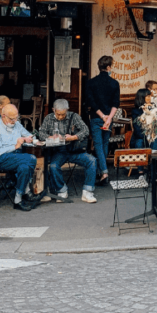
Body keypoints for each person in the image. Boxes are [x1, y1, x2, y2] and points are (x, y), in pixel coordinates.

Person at [36, 99, 97, 203]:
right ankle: (61, 190)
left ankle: (88, 192)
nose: (60, 117)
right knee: (54, 166)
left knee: (92, 160)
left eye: (63, 114)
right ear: (53, 110)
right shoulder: (49, 118)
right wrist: (51, 137)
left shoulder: (74, 116)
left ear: (67, 110)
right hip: (59, 151)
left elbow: (85, 130)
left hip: (74, 149)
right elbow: (40, 133)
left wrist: (73, 137)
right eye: (58, 114)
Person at [0, 104, 43, 211]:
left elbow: (28, 135)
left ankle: (18, 200)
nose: (14, 121)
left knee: (24, 168)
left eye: (17, 117)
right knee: (31, 159)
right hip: (3, 159)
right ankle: (26, 191)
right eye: (12, 119)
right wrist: (15, 146)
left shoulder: (17, 124)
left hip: (18, 157)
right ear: (3, 116)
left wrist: (30, 139)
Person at [84, 55, 121, 187]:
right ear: (109, 67)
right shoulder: (114, 83)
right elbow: (116, 103)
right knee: (105, 144)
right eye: (112, 65)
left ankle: (103, 172)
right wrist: (109, 118)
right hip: (108, 119)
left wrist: (102, 116)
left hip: (96, 117)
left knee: (98, 145)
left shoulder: (91, 82)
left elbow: (91, 102)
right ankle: (103, 171)